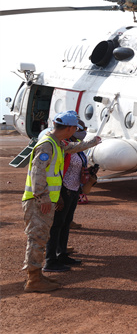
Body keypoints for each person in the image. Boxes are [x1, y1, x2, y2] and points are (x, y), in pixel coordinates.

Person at [21, 111, 100, 292]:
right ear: (70, 128)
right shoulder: (47, 145)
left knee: (41, 238)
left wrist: (92, 142)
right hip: (38, 201)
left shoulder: (56, 142)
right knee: (36, 238)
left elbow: (71, 147)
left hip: (44, 200)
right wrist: (43, 197)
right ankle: (33, 279)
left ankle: (36, 275)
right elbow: (38, 172)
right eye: (75, 128)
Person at [43, 119, 96, 273]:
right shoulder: (62, 145)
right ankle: (50, 260)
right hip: (64, 190)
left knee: (65, 224)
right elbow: (55, 171)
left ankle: (62, 254)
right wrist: (58, 194)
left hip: (73, 189)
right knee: (56, 225)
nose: (83, 131)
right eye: (80, 128)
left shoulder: (76, 147)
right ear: (71, 129)